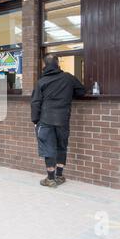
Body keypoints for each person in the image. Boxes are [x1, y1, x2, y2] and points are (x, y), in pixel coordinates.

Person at [31, 54, 86, 188]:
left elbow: (35, 102)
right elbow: (81, 91)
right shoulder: (68, 78)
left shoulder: (41, 82)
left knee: (48, 148)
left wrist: (35, 119)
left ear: (45, 65)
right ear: (57, 63)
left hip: (46, 119)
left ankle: (50, 179)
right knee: (62, 146)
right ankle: (60, 176)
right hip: (63, 119)